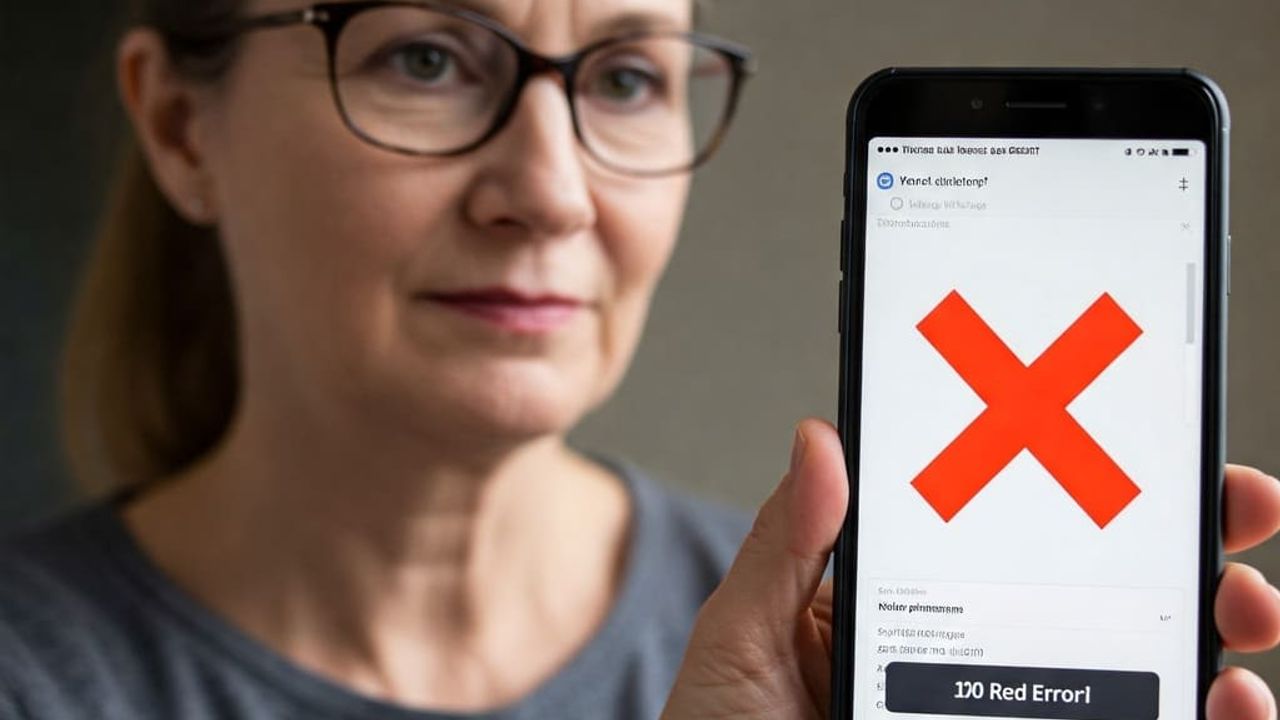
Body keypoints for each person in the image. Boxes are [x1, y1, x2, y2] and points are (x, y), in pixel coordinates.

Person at [1, 1, 1276, 718]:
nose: (552, 193)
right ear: (181, 127)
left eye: (621, 80)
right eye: (424, 59)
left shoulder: (809, 655)